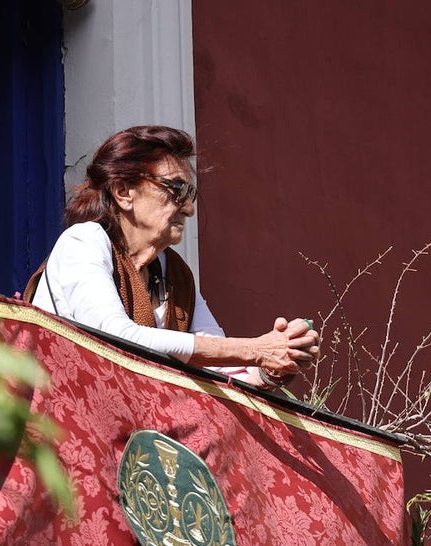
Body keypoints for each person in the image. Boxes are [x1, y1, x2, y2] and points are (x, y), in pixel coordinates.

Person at [25, 125, 319, 389]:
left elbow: (222, 369)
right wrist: (256, 350)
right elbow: (117, 339)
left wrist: (275, 365)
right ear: (123, 192)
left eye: (190, 194)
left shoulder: (175, 272)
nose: (189, 209)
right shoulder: (83, 242)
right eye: (176, 189)